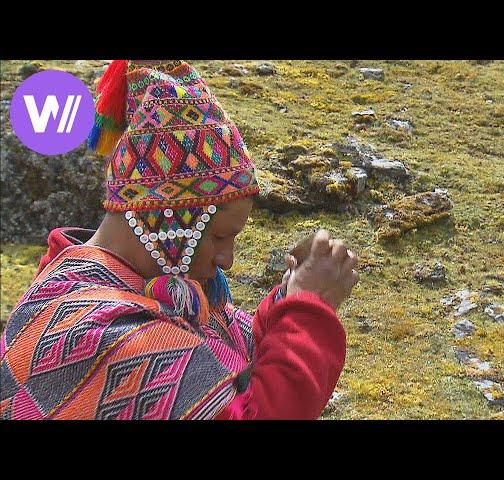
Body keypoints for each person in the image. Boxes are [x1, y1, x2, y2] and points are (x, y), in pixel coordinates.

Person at [0, 60, 359, 420]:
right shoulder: (98, 331)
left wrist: (287, 301)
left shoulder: (143, 291)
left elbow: (239, 355)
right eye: (220, 237)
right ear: (164, 217)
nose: (227, 259)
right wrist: (310, 305)